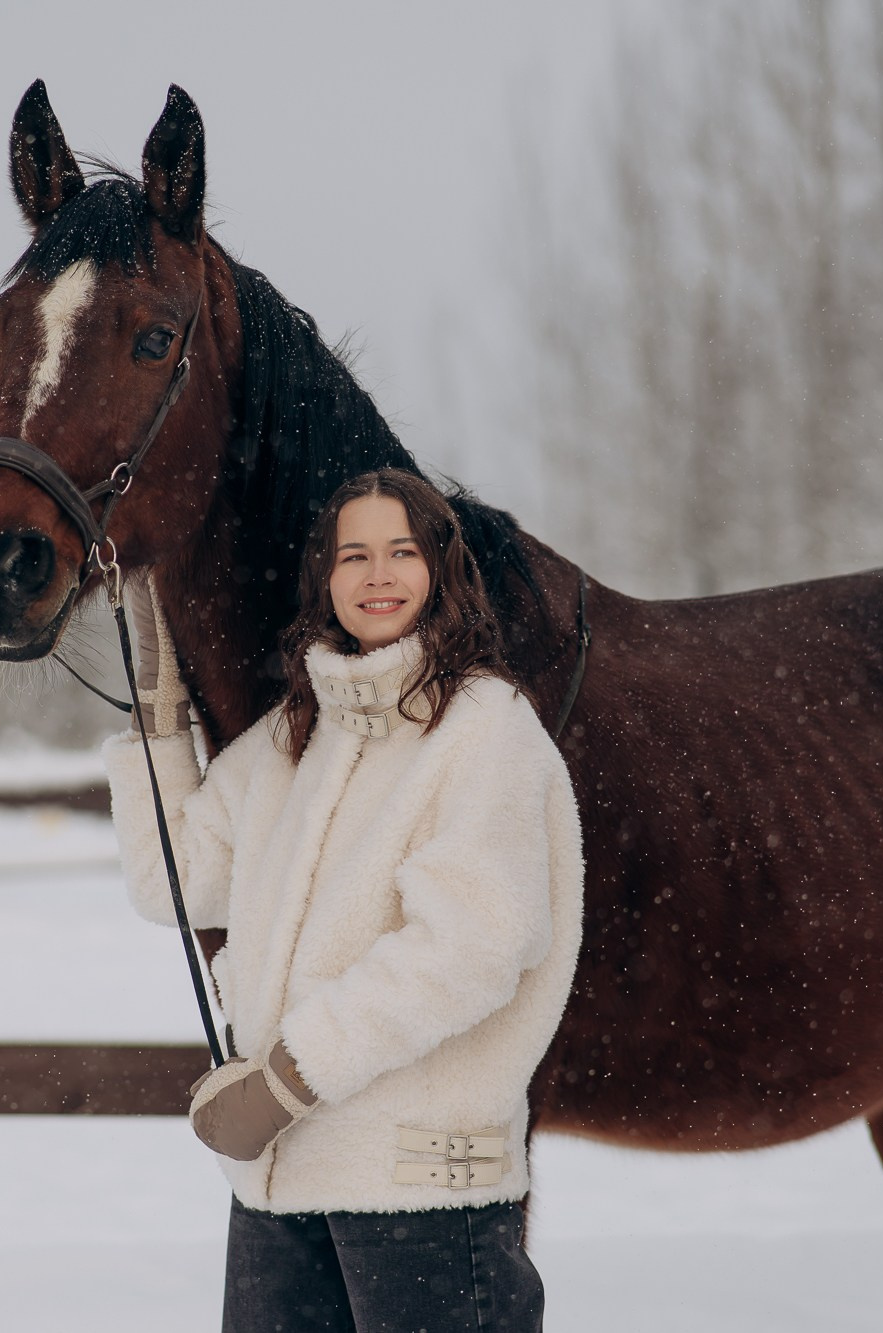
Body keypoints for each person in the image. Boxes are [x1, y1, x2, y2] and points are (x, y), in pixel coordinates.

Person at [103, 467, 585, 1332]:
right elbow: (169, 876)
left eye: (402, 551)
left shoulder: (485, 729)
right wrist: (156, 714)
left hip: (422, 1194)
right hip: (280, 1189)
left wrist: (286, 1081)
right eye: (353, 554)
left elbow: (470, 947)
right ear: (324, 577)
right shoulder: (296, 737)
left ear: (442, 569)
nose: (378, 575)